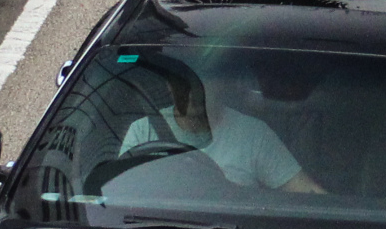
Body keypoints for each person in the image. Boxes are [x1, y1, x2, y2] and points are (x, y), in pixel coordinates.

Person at [119, 61, 324, 193]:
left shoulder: (253, 135)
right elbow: (117, 192)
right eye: (182, 83)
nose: (191, 94)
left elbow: (305, 190)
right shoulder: (143, 131)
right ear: (168, 87)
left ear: (222, 86)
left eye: (201, 82)